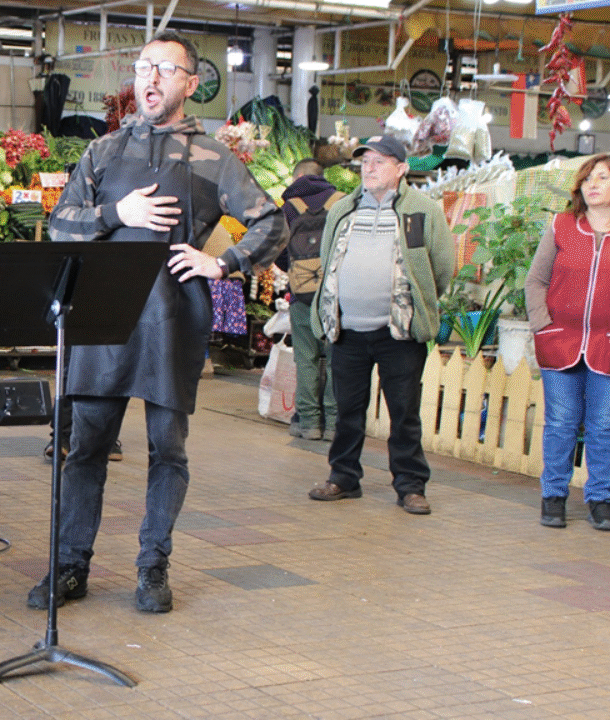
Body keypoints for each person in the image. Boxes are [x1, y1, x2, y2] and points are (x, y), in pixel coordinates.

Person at [30, 31, 286, 614]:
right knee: (87, 449)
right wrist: (117, 212)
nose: (150, 77)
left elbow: (272, 223)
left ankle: (152, 567)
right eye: (144, 66)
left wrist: (222, 262)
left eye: (165, 69)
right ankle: (69, 566)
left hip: (171, 322)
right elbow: (61, 224)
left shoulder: (213, 158)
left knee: (167, 450)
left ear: (189, 84)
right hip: (102, 322)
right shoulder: (103, 151)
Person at [308, 135, 453, 515]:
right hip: (347, 331)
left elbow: (441, 268)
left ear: (401, 169)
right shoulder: (343, 209)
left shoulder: (422, 210)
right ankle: (343, 477)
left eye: (379, 161)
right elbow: (327, 257)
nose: (368, 168)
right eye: (365, 161)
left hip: (399, 334)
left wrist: (416, 304)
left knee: (404, 413)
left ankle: (410, 485)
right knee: (347, 410)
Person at [524, 154, 610, 530]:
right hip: (560, 342)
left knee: (604, 426)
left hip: (606, 345)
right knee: (560, 423)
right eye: (588, 178)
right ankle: (554, 495)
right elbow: (535, 281)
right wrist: (542, 326)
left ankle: (601, 499)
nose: (593, 184)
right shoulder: (561, 226)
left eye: (603, 177)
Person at [281, 159, 344, 441]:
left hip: (301, 293)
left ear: (299, 177)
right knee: (334, 359)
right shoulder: (343, 203)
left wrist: (296, 272)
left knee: (305, 359)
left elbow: (278, 250)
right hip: (337, 294)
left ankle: (308, 423)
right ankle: (332, 424)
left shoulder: (290, 207)